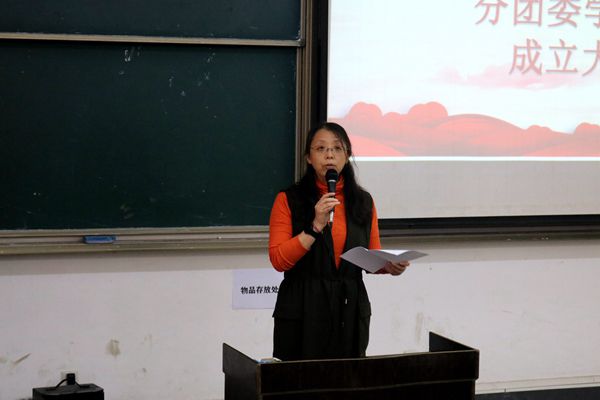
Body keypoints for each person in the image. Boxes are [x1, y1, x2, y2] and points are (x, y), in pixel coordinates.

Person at [268, 121, 410, 361]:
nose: (329, 155)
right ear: (309, 158)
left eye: (337, 148)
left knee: (348, 378)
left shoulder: (363, 202)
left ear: (347, 156)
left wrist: (389, 266)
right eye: (320, 148)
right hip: (303, 307)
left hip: (349, 309)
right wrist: (315, 226)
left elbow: (372, 257)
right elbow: (279, 260)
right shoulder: (288, 199)